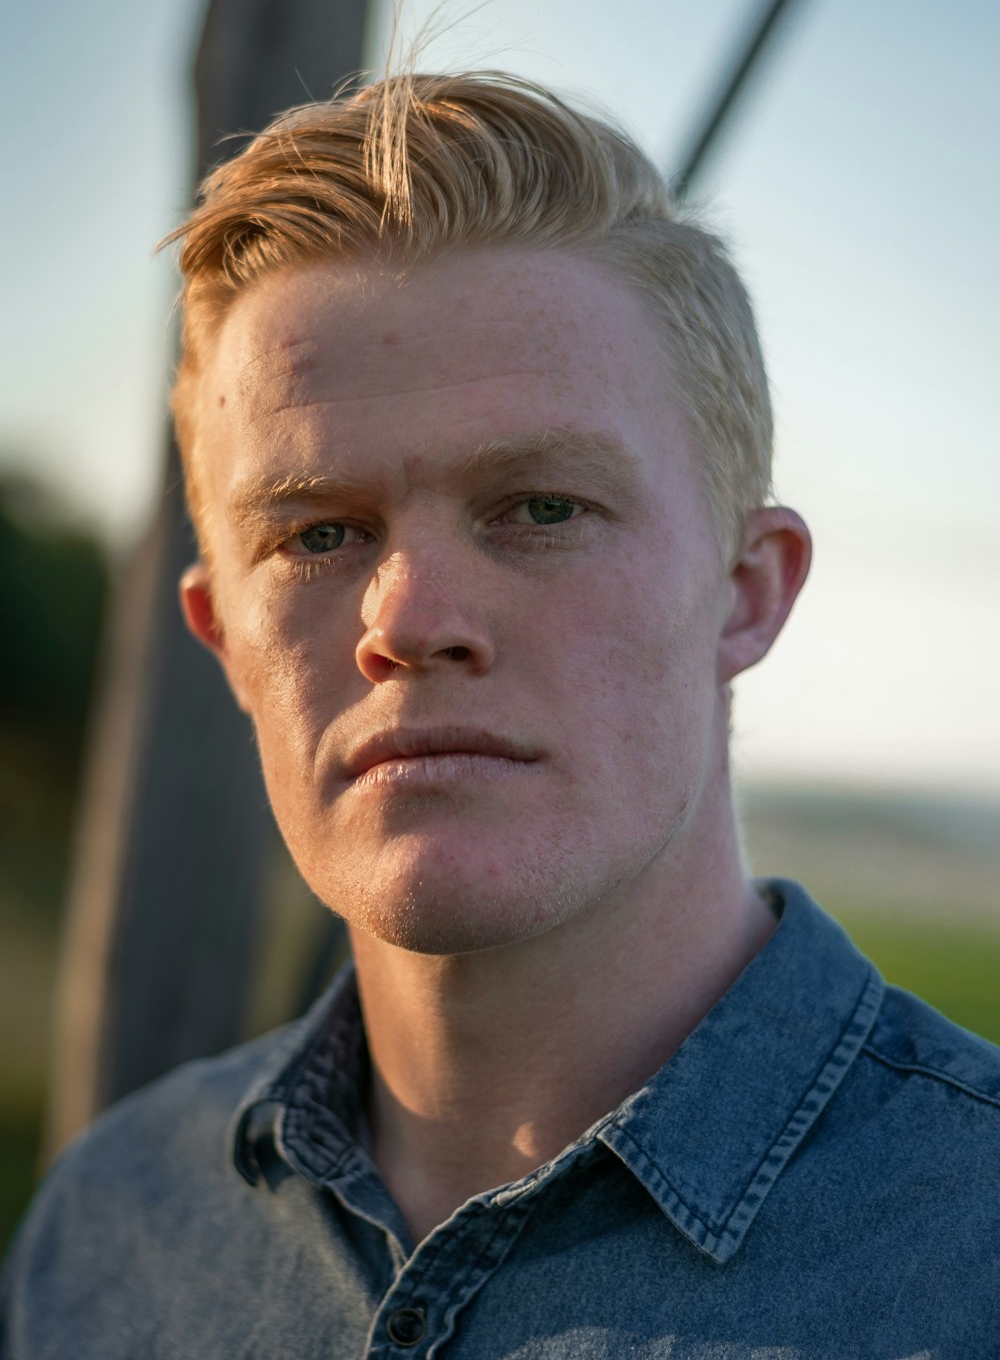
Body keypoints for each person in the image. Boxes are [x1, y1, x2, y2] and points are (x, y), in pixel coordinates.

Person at [3, 71, 997, 1358]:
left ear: (745, 595)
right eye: (316, 533)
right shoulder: (115, 1229)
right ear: (225, 641)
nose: (408, 619)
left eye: (540, 508)